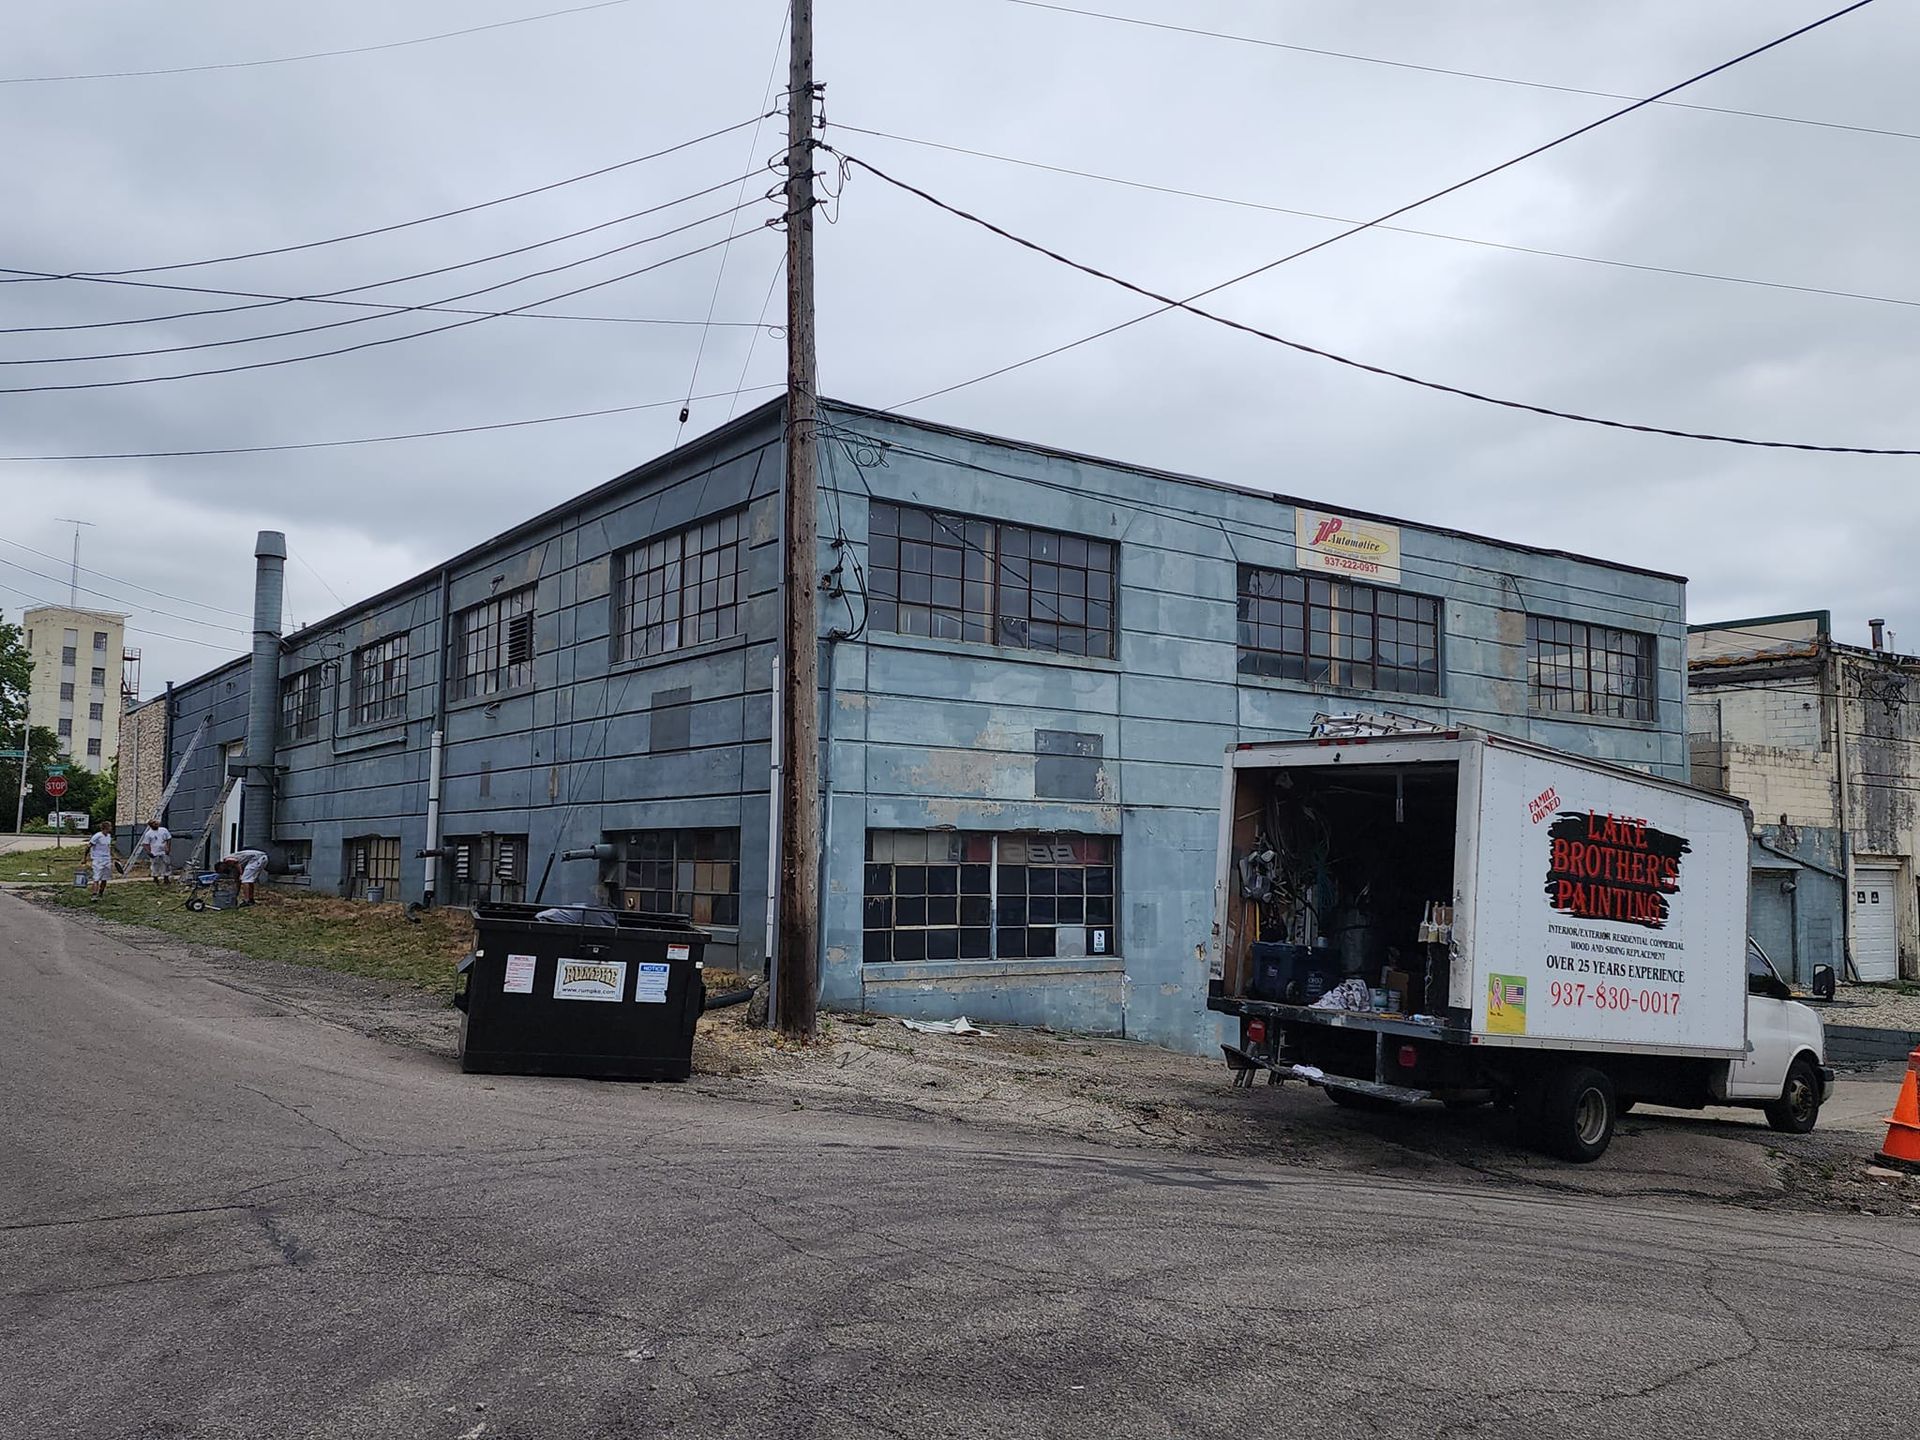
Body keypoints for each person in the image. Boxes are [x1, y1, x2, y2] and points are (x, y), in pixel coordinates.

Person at [135, 817, 173, 885]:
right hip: (154, 852)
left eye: (156, 822)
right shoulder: (148, 834)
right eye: (154, 823)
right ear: (150, 825)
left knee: (166, 864)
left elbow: (168, 839)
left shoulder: (163, 830)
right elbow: (145, 844)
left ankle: (166, 878)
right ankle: (155, 878)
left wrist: (168, 848)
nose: (156, 824)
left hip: (164, 851)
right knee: (155, 865)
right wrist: (149, 852)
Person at [87, 820, 115, 900]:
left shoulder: (109, 836)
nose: (111, 828)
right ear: (105, 827)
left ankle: (101, 893)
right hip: (98, 859)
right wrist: (85, 858)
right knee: (96, 877)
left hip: (107, 859)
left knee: (105, 878)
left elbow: (109, 847)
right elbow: (89, 846)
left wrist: (113, 856)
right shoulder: (97, 836)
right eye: (110, 826)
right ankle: (94, 894)